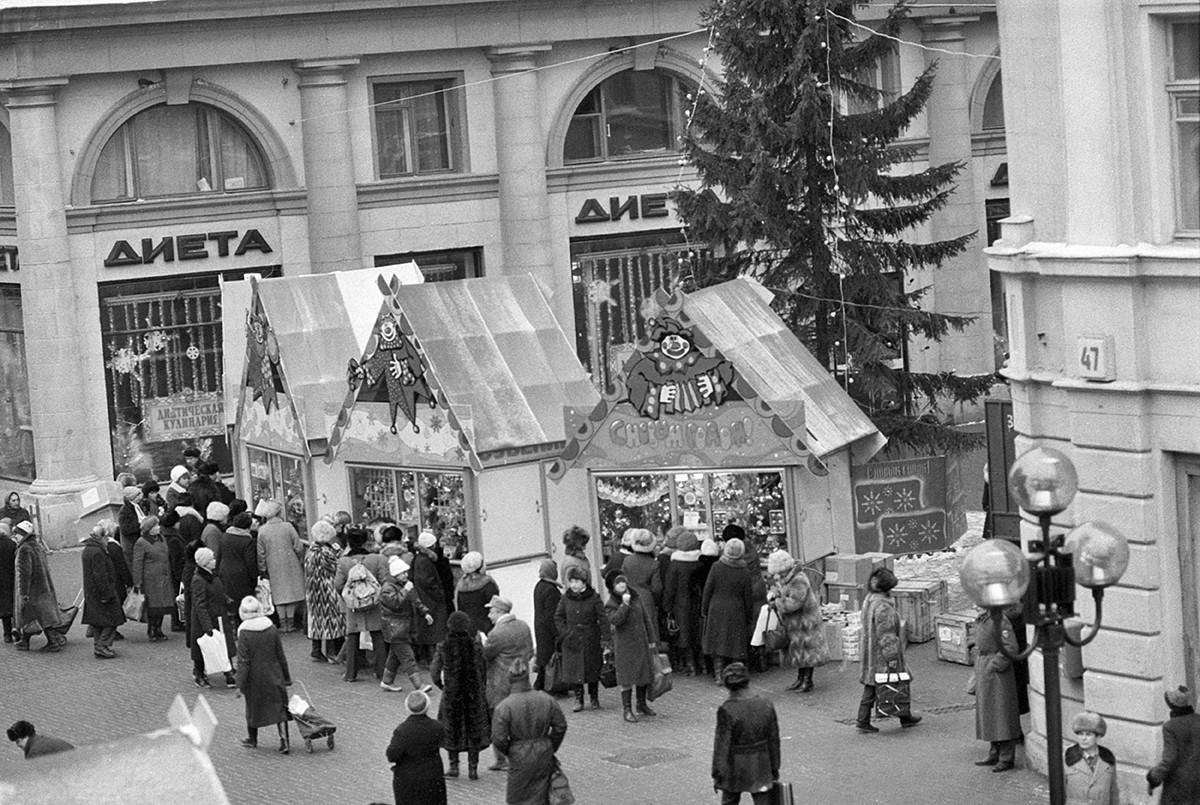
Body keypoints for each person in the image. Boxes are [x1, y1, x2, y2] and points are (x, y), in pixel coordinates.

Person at [490, 657, 568, 805]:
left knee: (518, 797)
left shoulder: (504, 707)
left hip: (519, 754)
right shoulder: (546, 699)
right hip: (544, 751)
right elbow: (560, 726)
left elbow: (498, 738)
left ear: (510, 679)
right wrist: (550, 745)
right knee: (543, 795)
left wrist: (510, 750)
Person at [856, 567, 921, 733]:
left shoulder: (869, 600)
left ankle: (902, 716)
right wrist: (892, 657)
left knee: (875, 683)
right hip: (881, 654)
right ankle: (864, 720)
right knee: (894, 681)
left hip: (870, 651)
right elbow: (887, 635)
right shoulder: (883, 607)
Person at [431, 610, 491, 780]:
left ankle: (454, 766)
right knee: (474, 730)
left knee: (451, 729)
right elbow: (483, 668)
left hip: (452, 692)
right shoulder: (475, 645)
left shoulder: (443, 646)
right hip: (473, 692)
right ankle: (473, 769)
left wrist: (443, 686)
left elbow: (434, 672)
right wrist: (481, 686)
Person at [711, 662, 779, 805]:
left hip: (734, 765)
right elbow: (773, 739)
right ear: (747, 680)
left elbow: (722, 745)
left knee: (730, 800)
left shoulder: (727, 709)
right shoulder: (766, 704)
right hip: (761, 762)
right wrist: (774, 767)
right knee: (764, 801)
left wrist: (717, 773)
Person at [234, 595, 293, 754]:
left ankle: (252, 738)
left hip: (255, 678)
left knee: (252, 708)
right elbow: (280, 655)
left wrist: (239, 684)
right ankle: (285, 741)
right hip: (274, 673)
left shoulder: (244, 633)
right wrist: (286, 677)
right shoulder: (271, 629)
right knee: (280, 708)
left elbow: (243, 662)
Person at [482, 595, 534, 771]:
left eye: (491, 611)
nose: (489, 615)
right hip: (522, 681)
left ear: (499, 612)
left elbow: (487, 655)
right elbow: (530, 652)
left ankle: (502, 759)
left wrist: (483, 643)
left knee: (500, 723)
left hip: (500, 685)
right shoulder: (523, 626)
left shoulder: (495, 634)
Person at [766, 549, 827, 692]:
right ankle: (801, 678)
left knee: (806, 651)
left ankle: (807, 680)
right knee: (799, 652)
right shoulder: (788, 577)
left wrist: (777, 603)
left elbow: (794, 602)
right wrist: (776, 594)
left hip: (806, 621)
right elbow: (785, 594)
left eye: (779, 571)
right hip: (797, 622)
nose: (778, 574)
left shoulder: (799, 579)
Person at [333, 528, 389, 683]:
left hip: (353, 604)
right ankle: (382, 672)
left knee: (352, 636)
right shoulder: (375, 559)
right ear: (366, 541)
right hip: (373, 602)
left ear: (349, 542)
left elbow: (338, 584)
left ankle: (351, 673)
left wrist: (349, 596)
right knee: (377, 634)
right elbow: (384, 580)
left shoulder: (343, 561)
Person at [604, 570, 657, 723]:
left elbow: (646, 617)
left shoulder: (636, 596)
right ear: (612, 587)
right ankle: (627, 710)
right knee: (626, 678)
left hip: (640, 642)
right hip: (625, 646)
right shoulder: (611, 603)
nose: (621, 584)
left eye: (623, 581)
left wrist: (652, 638)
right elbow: (616, 620)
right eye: (617, 583)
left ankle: (641, 704)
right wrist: (624, 605)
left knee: (643, 675)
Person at [972, 608, 1021, 771]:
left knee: (1002, 714)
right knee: (989, 714)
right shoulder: (983, 618)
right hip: (985, 670)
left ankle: (1006, 757)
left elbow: (1011, 647)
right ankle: (995, 752)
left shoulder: (1000, 619)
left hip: (997, 674)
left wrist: (995, 665)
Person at [554, 564, 607, 712]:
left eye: (577, 581)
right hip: (571, 638)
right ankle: (579, 698)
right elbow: (558, 617)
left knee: (592, 669)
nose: (574, 585)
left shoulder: (594, 597)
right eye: (571, 581)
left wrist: (606, 638)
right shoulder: (565, 598)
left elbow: (602, 617)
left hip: (590, 637)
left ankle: (594, 697)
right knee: (575, 670)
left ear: (584, 582)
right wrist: (565, 633)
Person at [702, 538, 755, 683]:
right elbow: (748, 595)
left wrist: (704, 609)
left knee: (717, 643)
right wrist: (749, 615)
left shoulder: (716, 566)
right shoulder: (744, 570)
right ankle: (735, 676)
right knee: (736, 644)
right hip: (737, 609)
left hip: (717, 607)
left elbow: (708, 589)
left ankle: (719, 675)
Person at [380, 555, 433, 693]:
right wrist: (406, 590)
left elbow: (415, 600)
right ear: (396, 574)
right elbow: (394, 603)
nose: (406, 575)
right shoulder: (387, 587)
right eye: (403, 573)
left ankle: (387, 681)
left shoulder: (405, 585)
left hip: (402, 626)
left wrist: (425, 612)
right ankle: (419, 685)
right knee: (407, 656)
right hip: (395, 627)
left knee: (395, 656)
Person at [386, 689, 447, 805]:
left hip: (408, 778)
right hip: (433, 775)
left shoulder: (402, 731)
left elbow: (392, 755)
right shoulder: (437, 726)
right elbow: (443, 742)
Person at [255, 499, 307, 633]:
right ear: (279, 513)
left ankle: (283, 623)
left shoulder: (262, 530)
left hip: (272, 564)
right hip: (290, 562)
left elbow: (261, 553)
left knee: (278, 594)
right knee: (291, 592)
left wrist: (262, 568)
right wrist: (300, 558)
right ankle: (291, 622)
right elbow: (298, 546)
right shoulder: (288, 526)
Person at [13, 520, 66, 652]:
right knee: (42, 616)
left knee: (30, 616)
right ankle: (25, 641)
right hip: (44, 587)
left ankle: (50, 642)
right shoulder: (38, 546)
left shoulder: (24, 549)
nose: (16, 537)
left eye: (17, 534)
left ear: (23, 534)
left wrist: (23, 593)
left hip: (32, 589)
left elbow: (24, 573)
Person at [190, 546, 236, 690]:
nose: (214, 561)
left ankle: (228, 671)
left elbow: (217, 590)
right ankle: (199, 674)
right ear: (204, 563)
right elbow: (199, 604)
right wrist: (207, 626)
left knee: (223, 644)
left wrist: (226, 599)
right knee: (205, 647)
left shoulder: (212, 575)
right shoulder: (199, 579)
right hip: (207, 619)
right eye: (211, 559)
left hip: (219, 615)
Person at [1147, 685, 1199, 805]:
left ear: (1172, 705)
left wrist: (1153, 778)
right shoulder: (1198, 721)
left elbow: (1169, 760)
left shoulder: (1170, 727)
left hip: (1178, 788)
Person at [81, 522, 126, 659]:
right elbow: (100, 575)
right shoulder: (98, 552)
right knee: (113, 618)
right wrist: (106, 594)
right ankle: (102, 644)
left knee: (98, 621)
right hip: (102, 592)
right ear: (102, 537)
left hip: (92, 592)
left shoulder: (88, 550)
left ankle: (98, 645)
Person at [303, 519, 345, 664]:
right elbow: (337, 566)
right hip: (326, 590)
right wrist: (339, 551)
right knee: (331, 620)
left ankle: (316, 650)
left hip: (313, 590)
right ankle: (331, 653)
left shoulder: (311, 550)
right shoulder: (325, 552)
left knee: (316, 620)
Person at [663, 528, 703, 676]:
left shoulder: (675, 564)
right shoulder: (700, 562)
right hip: (697, 602)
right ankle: (702, 664)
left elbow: (670, 588)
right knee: (697, 632)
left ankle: (691, 666)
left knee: (684, 635)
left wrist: (667, 606)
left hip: (681, 604)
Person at [216, 512, 258, 645]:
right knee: (243, 601)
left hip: (225, 572)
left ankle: (232, 630)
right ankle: (244, 630)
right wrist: (255, 576)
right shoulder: (247, 540)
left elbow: (219, 555)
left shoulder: (225, 536)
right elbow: (250, 561)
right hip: (241, 575)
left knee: (229, 602)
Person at [133, 516, 174, 642]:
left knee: (163, 604)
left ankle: (159, 628)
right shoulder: (141, 542)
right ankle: (152, 629)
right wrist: (138, 582)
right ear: (149, 529)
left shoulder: (162, 539)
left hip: (164, 576)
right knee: (153, 606)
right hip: (151, 579)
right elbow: (137, 563)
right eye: (155, 526)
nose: (159, 527)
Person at [1064, 711, 1119, 805]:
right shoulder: (1067, 758)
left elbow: (1113, 791)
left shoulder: (1107, 758)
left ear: (1097, 737)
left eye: (1088, 734)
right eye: (1080, 734)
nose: (1083, 738)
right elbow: (1058, 790)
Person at [410, 531, 448, 665]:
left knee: (427, 630)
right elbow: (428, 581)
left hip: (425, 597)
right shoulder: (425, 561)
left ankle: (428, 658)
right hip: (431, 600)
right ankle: (433, 660)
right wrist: (440, 594)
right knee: (434, 631)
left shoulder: (419, 558)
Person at [620, 528, 662, 645]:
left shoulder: (627, 560)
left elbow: (622, 579)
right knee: (649, 633)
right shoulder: (654, 564)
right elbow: (657, 587)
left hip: (630, 597)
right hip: (646, 598)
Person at [99, 519, 132, 641]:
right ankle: (111, 631)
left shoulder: (101, 545)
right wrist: (129, 581)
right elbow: (122, 565)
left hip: (107, 580)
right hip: (116, 581)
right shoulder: (114, 546)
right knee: (116, 606)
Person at [531, 558, 561, 692]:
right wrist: (557, 632)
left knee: (544, 658)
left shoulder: (539, 586)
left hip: (540, 626)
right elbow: (552, 614)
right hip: (548, 629)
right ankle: (550, 684)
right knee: (551, 659)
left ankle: (540, 684)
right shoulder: (551, 590)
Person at [456, 551, 500, 637]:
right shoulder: (487, 585)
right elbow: (496, 606)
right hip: (487, 627)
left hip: (468, 628)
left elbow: (460, 608)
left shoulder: (461, 585)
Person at [117, 485, 150, 569]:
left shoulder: (138, 506)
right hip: (131, 546)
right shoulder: (124, 511)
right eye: (138, 495)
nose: (141, 496)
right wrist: (141, 524)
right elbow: (125, 529)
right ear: (132, 497)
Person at [6, 721, 73, 759]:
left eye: (18, 741)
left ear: (26, 737)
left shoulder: (34, 752)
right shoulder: (41, 740)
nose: (18, 745)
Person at [0, 522, 15, 642]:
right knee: (14, 605)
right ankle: (17, 630)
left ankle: (7, 633)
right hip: (11, 578)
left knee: (4, 607)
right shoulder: (11, 544)